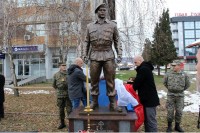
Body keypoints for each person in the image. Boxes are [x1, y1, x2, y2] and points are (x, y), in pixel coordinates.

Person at [82, 3, 122, 111]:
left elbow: (117, 40)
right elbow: (86, 42)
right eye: (100, 10)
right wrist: (84, 55)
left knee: (110, 81)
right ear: (97, 12)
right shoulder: (90, 26)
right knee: (94, 81)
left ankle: (113, 104)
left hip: (108, 55)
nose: (103, 12)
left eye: (104, 10)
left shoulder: (112, 25)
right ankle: (94, 102)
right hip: (94, 56)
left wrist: (119, 54)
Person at [132, 55, 160, 132]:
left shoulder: (143, 69)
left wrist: (131, 87)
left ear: (140, 61)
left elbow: (137, 83)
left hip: (149, 100)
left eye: (136, 62)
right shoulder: (144, 68)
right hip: (146, 99)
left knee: (150, 121)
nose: (135, 64)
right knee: (146, 120)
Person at [163, 60, 190, 132]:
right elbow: (165, 83)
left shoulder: (184, 75)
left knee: (179, 111)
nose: (173, 67)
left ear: (179, 66)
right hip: (170, 95)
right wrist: (171, 89)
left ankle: (177, 126)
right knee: (170, 111)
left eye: (174, 65)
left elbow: (187, 84)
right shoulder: (168, 74)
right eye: (172, 65)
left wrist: (180, 90)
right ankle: (169, 126)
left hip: (180, 96)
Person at [52, 62, 72, 129]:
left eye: (65, 65)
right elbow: (54, 85)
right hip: (60, 96)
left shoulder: (69, 74)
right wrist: (59, 90)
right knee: (61, 110)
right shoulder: (56, 75)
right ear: (59, 66)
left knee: (69, 110)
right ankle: (62, 123)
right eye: (62, 66)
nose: (64, 67)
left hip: (68, 95)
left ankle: (71, 124)